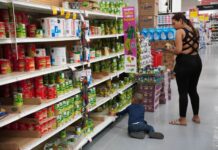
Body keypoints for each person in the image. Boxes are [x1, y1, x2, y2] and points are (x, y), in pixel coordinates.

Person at [166, 13, 202, 126]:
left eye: (174, 23)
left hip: (185, 63)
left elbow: (178, 50)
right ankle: (196, 116)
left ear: (181, 21)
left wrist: (169, 48)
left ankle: (182, 119)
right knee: (193, 89)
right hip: (197, 61)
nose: (173, 26)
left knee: (183, 92)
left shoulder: (179, 32)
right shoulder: (194, 29)